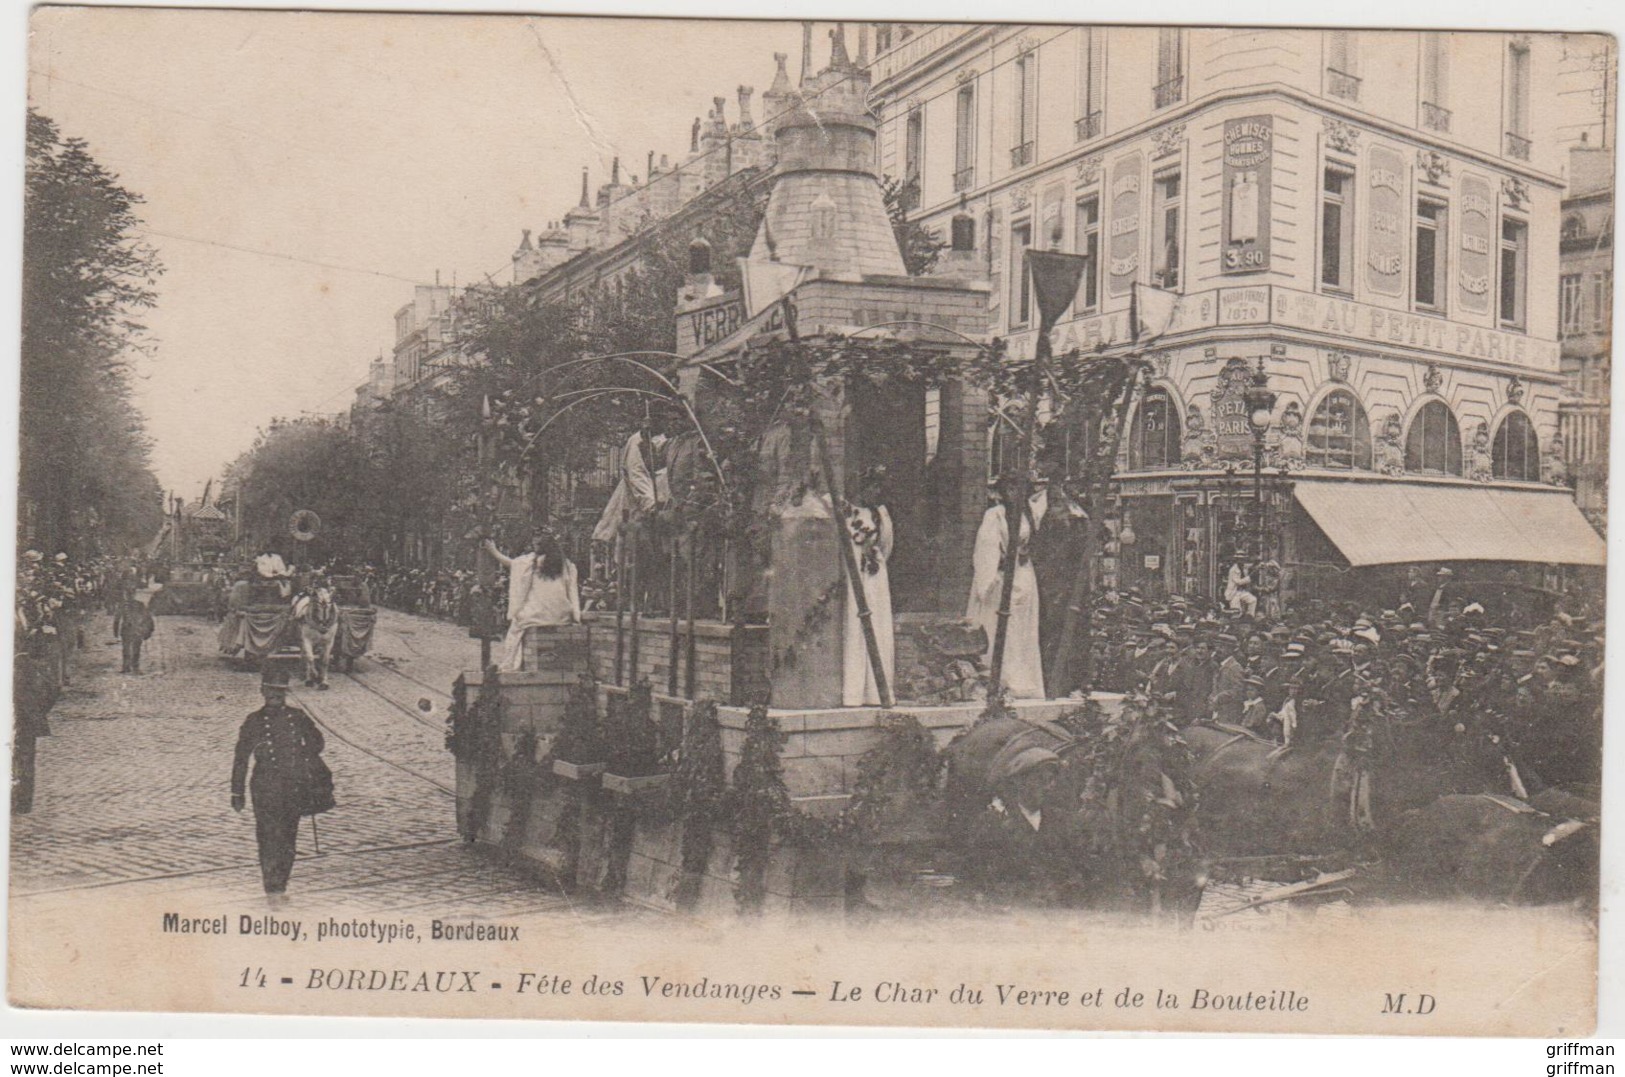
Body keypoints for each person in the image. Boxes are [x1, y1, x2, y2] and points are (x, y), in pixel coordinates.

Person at [231, 664, 332, 899]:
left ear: (285, 693)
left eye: (280, 691)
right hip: (264, 788)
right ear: (262, 691)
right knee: (267, 836)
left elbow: (318, 744)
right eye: (271, 690)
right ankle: (271, 886)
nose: (275, 696)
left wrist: (303, 752)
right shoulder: (254, 721)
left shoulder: (297, 718)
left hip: (292, 786)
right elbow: (240, 758)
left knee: (288, 837)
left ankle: (282, 883)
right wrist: (237, 793)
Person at [968, 474, 1045, 700]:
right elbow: (986, 547)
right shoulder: (995, 515)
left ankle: (1024, 680)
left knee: (1022, 628)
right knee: (1001, 626)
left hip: (1023, 575)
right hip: (1001, 578)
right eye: (1010, 489)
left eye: (1019, 488)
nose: (1015, 493)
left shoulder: (1029, 515)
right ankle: (1000, 680)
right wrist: (993, 573)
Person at [484, 529, 581, 672]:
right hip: (561, 615)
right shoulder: (567, 565)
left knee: (515, 628)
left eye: (536, 545)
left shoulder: (531, 562)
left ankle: (511, 664)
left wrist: (493, 551)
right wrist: (576, 615)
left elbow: (511, 563)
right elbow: (572, 591)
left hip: (537, 614)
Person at [842, 465, 895, 707]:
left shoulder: (880, 514)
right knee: (855, 626)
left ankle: (876, 691)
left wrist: (873, 558)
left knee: (877, 622)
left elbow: (886, 546)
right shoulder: (848, 512)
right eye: (872, 487)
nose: (876, 492)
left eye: (879, 488)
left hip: (875, 576)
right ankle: (854, 691)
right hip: (855, 577)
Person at [293, 585, 338, 689]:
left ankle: (324, 678)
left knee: (326, 656)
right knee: (309, 654)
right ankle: (310, 673)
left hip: (326, 598)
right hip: (313, 596)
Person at [117, 592, 154, 674]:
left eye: (130, 594)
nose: (129, 596)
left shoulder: (139, 604)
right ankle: (127, 667)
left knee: (135, 649)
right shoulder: (123, 605)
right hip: (128, 630)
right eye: (128, 594)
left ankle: (133, 667)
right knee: (127, 649)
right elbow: (117, 618)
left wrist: (148, 628)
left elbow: (146, 616)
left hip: (136, 629)